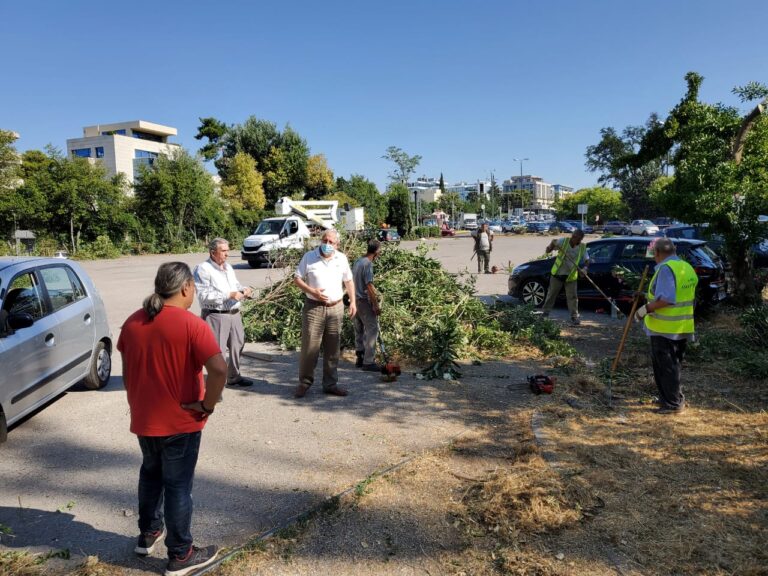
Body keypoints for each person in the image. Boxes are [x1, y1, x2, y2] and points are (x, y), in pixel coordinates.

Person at [117, 262, 226, 576]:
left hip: (145, 419)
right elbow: (220, 369)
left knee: (151, 476)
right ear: (186, 288)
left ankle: (148, 534)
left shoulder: (132, 322)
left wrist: (138, 403)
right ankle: (181, 555)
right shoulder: (192, 325)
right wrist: (207, 405)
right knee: (178, 486)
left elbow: (128, 375)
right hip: (181, 421)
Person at [635, 238, 697, 414]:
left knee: (665, 366)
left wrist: (644, 309)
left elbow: (667, 299)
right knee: (674, 365)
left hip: (665, 328)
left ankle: (671, 404)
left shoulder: (665, 269)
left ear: (657, 253)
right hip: (682, 325)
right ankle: (672, 398)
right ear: (674, 250)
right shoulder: (685, 267)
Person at [293, 229, 357, 398]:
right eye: (325, 240)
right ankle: (304, 383)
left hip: (336, 308)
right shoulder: (309, 256)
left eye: (331, 242)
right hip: (314, 307)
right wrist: (311, 291)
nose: (327, 245)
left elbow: (348, 280)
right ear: (321, 240)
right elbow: (297, 278)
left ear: (337, 245)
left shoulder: (341, 258)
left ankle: (330, 384)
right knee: (310, 348)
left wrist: (353, 302)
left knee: (333, 348)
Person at [194, 238, 254, 387]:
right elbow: (203, 295)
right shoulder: (203, 269)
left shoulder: (228, 267)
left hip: (234, 312)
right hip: (216, 315)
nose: (227, 254)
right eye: (224, 251)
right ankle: (216, 384)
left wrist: (244, 289)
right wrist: (230, 295)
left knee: (238, 344)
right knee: (217, 352)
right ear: (213, 252)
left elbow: (235, 285)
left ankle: (234, 376)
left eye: (228, 250)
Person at [541, 229, 590, 325]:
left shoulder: (582, 247)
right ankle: (545, 314)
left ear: (580, 239)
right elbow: (548, 250)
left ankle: (574, 317)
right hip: (557, 274)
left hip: (570, 277)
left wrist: (585, 269)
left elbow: (587, 260)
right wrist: (551, 245)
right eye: (573, 236)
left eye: (577, 238)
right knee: (551, 295)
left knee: (572, 297)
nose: (574, 238)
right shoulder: (563, 241)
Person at [353, 239, 382, 371]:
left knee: (359, 328)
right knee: (372, 329)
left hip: (355, 300)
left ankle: (360, 356)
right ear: (376, 251)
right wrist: (375, 304)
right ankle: (368, 362)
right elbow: (369, 286)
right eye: (380, 251)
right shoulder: (368, 264)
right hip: (363, 301)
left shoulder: (358, 261)